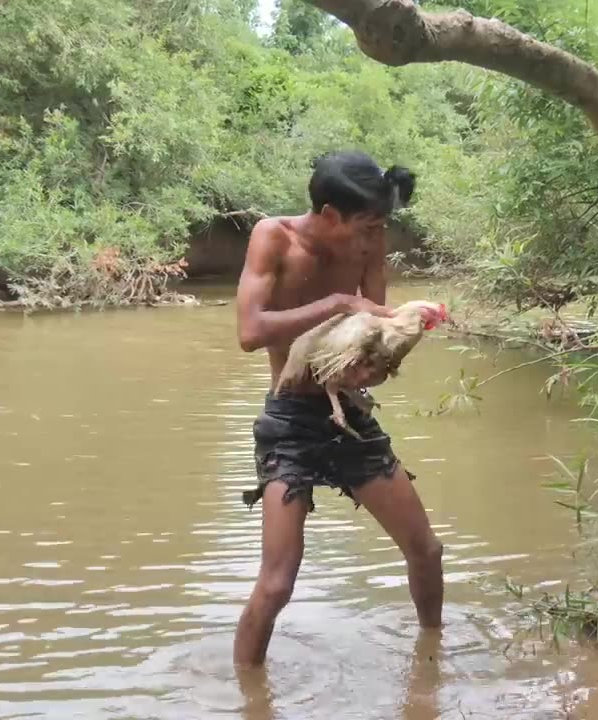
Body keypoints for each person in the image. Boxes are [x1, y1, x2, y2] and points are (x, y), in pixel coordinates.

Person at [232, 150, 444, 666]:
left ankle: (432, 658)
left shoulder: (370, 245)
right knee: (277, 584)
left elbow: (373, 333)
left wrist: (375, 365)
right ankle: (247, 695)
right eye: (366, 227)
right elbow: (250, 332)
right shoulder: (273, 237)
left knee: (427, 552)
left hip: (349, 416)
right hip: (288, 423)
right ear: (330, 215)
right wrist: (336, 304)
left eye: (382, 227)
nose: (374, 240)